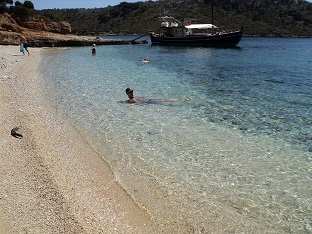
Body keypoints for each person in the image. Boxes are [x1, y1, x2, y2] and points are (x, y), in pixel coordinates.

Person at [125, 88, 190, 104]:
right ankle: (182, 100)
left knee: (165, 99)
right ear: (127, 93)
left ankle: (181, 100)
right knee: (164, 101)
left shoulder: (133, 98)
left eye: (132, 91)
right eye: (130, 92)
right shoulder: (132, 100)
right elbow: (140, 103)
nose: (132, 92)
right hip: (149, 102)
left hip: (150, 99)